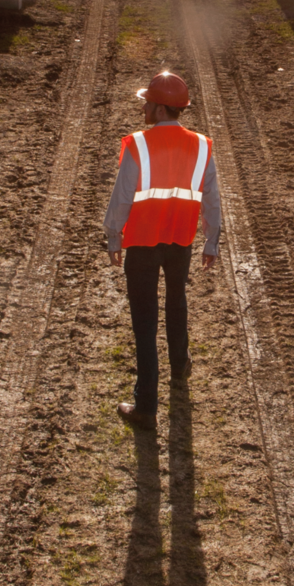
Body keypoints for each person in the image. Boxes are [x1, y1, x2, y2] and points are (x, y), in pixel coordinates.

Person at [102, 70, 221, 432]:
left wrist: (113, 236)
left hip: (142, 242)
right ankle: (181, 363)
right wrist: (211, 240)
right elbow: (212, 200)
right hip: (180, 240)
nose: (144, 108)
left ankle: (146, 405)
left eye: (146, 103)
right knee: (177, 300)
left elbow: (122, 198)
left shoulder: (138, 145)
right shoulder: (202, 145)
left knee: (144, 320)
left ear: (157, 107)